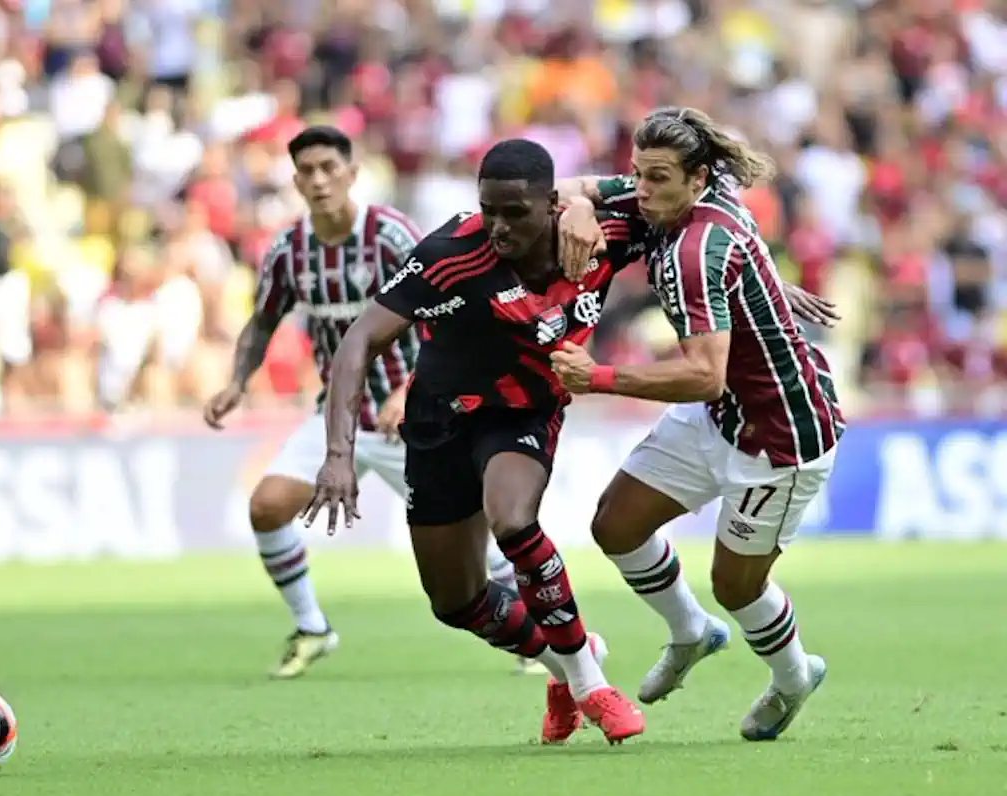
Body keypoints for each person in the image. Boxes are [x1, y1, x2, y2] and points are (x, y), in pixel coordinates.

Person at [303, 137, 651, 745]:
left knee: (513, 520)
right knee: (455, 601)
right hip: (440, 418)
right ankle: (569, 663)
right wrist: (339, 456)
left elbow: (678, 193)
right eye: (488, 208)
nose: (497, 225)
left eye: (515, 212)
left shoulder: (604, 236)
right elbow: (358, 342)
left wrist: (586, 201)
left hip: (523, 411)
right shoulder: (447, 255)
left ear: (551, 204)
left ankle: (592, 685)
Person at [551, 106, 844, 741]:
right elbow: (566, 186)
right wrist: (576, 206)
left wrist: (596, 376)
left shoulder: (694, 251)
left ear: (699, 179)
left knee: (737, 586)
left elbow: (703, 374)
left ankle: (794, 676)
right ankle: (690, 631)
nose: (642, 190)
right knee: (616, 523)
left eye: (658, 178)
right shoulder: (672, 197)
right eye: (638, 173)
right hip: (720, 414)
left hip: (780, 436)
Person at [202, 126, 525, 679]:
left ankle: (533, 633)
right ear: (296, 180)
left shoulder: (393, 236)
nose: (318, 179)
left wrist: (409, 388)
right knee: (268, 505)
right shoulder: (289, 251)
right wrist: (237, 381)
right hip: (340, 418)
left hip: (415, 415)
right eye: (306, 170)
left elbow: (452, 309)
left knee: (484, 538)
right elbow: (263, 322)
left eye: (329, 167)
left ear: (352, 173)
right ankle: (312, 627)